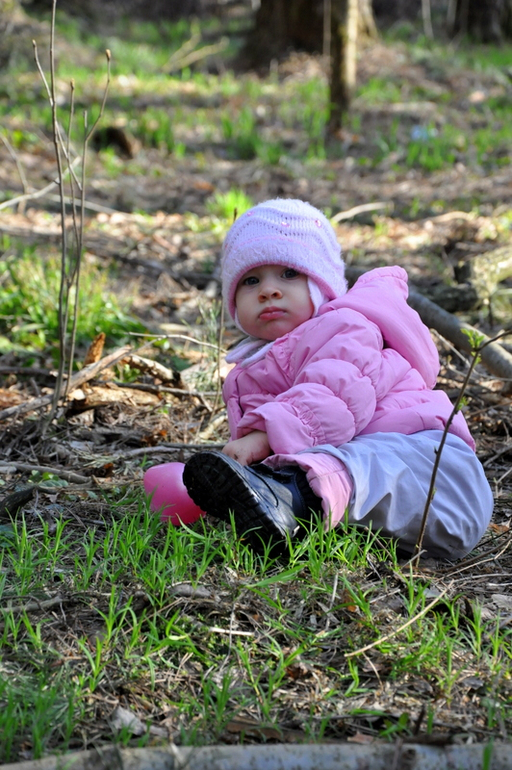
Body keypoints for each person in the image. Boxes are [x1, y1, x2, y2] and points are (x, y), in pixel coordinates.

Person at [145, 198, 493, 560]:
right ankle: (286, 503)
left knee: (361, 464)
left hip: (433, 472)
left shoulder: (346, 327)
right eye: (251, 280)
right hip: (385, 512)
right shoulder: (249, 373)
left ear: (322, 284)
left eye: (289, 274)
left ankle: (291, 492)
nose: (268, 290)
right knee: (326, 472)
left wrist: (263, 438)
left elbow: (332, 397)